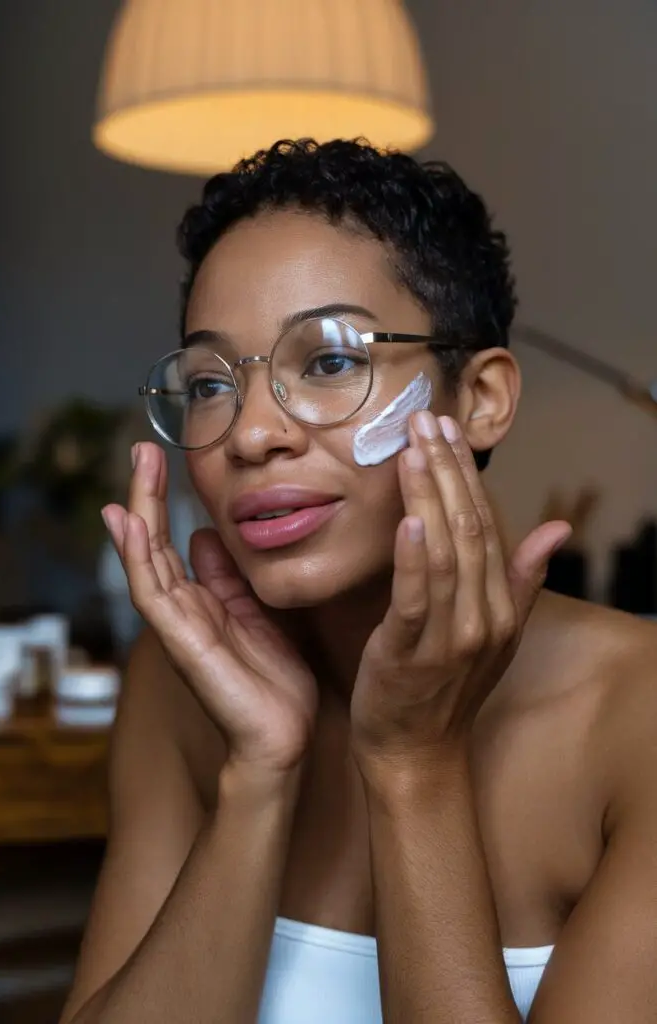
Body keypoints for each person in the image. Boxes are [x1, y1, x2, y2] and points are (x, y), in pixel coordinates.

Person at [61, 140, 657, 1024]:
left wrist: (413, 765)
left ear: (481, 397)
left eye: (331, 361)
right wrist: (259, 771)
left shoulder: (635, 717)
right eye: (211, 382)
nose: (250, 434)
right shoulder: (182, 686)